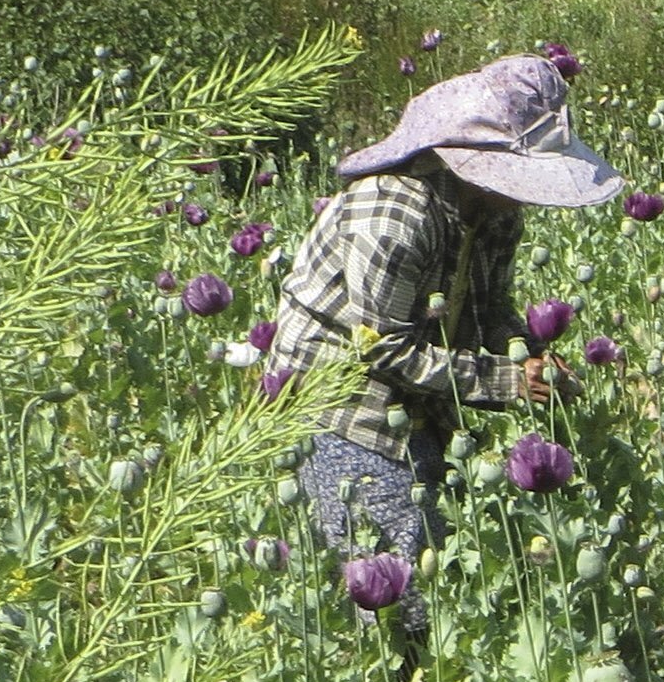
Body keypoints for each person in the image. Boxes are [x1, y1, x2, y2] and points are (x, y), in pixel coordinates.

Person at [263, 51, 622, 628]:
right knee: (393, 590)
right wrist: (509, 381)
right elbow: (380, 349)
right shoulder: (393, 216)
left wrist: (530, 354)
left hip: (426, 401)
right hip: (340, 407)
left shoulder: (495, 214)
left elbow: (489, 311)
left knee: (436, 561)